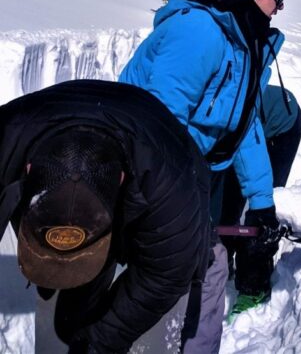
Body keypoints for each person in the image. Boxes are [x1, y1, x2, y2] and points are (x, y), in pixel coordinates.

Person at [119, 0, 301, 343]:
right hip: (148, 172)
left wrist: (262, 203)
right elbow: (157, 128)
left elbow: (246, 124)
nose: (279, 9)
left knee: (210, 266)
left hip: (194, 166)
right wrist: (178, 209)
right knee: (205, 266)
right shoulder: (201, 33)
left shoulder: (243, 41)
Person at [0, 80, 210, 354]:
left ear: (121, 182)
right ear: (28, 169)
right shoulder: (4, 137)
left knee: (85, 318)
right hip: (44, 120)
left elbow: (164, 278)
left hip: (154, 141)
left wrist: (100, 343)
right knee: (63, 306)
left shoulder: (171, 186)